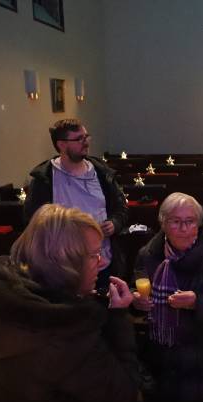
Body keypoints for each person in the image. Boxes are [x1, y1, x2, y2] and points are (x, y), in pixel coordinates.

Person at [0, 204, 139, 402]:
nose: (103, 262)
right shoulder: (68, 334)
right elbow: (124, 393)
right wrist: (118, 318)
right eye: (94, 255)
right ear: (65, 264)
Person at [131, 193, 203, 402]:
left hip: (201, 366)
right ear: (163, 223)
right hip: (158, 365)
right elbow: (136, 294)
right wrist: (136, 302)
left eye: (189, 221)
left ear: (199, 225)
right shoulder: (148, 256)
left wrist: (198, 303)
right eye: (175, 221)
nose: (182, 228)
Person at [24, 119, 129, 292]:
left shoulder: (101, 173)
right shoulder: (45, 179)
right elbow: (32, 220)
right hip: (63, 268)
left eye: (86, 136)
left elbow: (121, 207)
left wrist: (114, 223)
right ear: (62, 145)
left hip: (102, 263)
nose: (86, 142)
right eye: (79, 139)